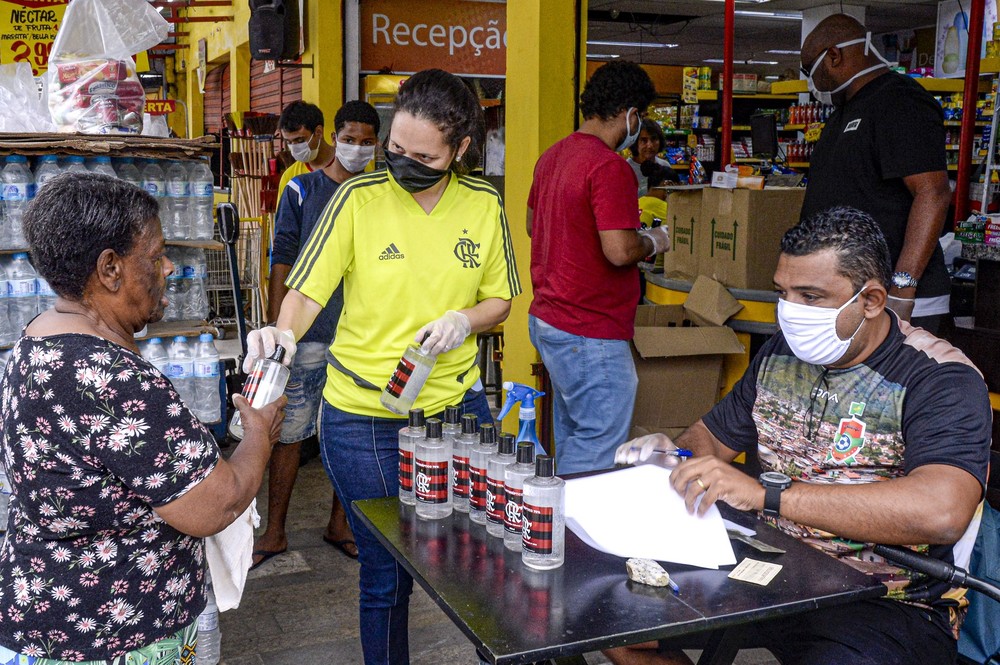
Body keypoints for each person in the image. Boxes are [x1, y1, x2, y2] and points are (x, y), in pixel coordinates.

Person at [607, 207, 991, 665]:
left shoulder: (938, 378)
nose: (789, 312)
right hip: (770, 566)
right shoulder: (780, 354)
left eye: (810, 296)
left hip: (886, 599)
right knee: (615, 623)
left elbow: (942, 510)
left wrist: (768, 496)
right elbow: (711, 435)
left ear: (871, 300)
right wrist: (677, 455)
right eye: (782, 293)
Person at [242, 69, 521, 664]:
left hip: (456, 407)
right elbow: (306, 291)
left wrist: (464, 320)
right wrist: (282, 335)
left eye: (424, 157)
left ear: (460, 149)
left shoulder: (483, 203)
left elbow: (500, 297)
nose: (403, 165)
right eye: (396, 149)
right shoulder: (357, 199)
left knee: (484, 555)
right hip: (364, 415)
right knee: (387, 571)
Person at [0, 172, 285, 662]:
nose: (169, 267)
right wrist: (259, 433)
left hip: (47, 613)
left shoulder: (37, 338)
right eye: (155, 256)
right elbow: (214, 506)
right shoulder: (110, 377)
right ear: (110, 268)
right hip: (113, 633)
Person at [252, 100, 381, 569]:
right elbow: (282, 257)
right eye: (350, 139)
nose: (357, 148)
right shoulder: (302, 189)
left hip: (360, 336)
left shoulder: (382, 194)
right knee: (289, 434)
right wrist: (276, 327)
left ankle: (339, 525)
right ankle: (275, 531)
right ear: (334, 136)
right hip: (305, 334)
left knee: (347, 436)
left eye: (367, 141)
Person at [527, 61, 670, 475]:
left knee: (574, 431)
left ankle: (555, 508)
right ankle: (573, 516)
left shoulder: (552, 156)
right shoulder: (610, 167)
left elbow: (532, 225)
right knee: (598, 443)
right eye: (641, 116)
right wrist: (655, 239)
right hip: (589, 328)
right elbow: (620, 251)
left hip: (550, 318)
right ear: (630, 114)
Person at [799, 14, 952, 332]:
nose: (812, 83)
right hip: (849, 295)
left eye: (809, 71)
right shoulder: (844, 111)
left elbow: (933, 192)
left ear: (834, 56)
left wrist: (902, 289)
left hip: (891, 299)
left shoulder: (901, 101)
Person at [276, 100, 338, 201]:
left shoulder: (349, 165)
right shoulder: (290, 177)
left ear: (318, 132)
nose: (294, 147)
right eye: (289, 142)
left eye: (300, 140)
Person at [627, 118, 679, 197]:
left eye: (654, 139)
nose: (650, 145)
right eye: (644, 140)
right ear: (635, 142)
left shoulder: (665, 166)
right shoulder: (626, 168)